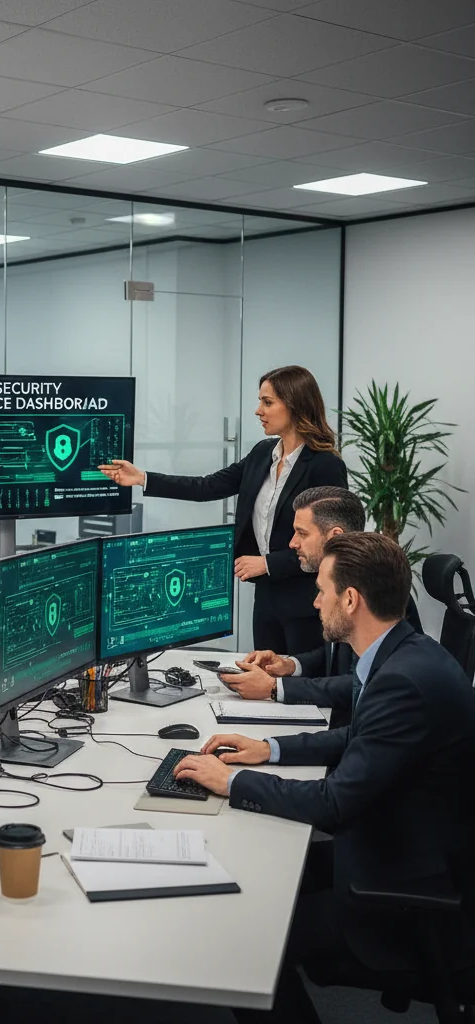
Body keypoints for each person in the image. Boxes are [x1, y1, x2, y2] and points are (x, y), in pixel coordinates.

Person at [174, 532, 475, 1023]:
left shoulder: (401, 679)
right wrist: (268, 749)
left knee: (245, 941)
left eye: (322, 589)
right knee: (263, 871)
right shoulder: (406, 652)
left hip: (408, 892)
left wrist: (230, 782)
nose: (314, 601)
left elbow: (333, 804)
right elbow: (358, 735)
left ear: (351, 599)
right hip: (407, 847)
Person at [100, 365, 346, 654]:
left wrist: (267, 563)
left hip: (308, 600)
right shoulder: (262, 454)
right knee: (265, 681)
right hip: (266, 597)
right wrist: (142, 478)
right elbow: (208, 486)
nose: (258, 410)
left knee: (304, 685)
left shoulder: (325, 465)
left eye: (267, 402)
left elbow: (334, 543)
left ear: (294, 404)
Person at [222, 486, 423, 726]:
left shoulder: (374, 588)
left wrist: (276, 688)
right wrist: (290, 665)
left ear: (334, 536)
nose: (292, 543)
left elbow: (368, 680)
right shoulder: (342, 580)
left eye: (301, 533)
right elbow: (336, 654)